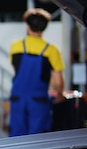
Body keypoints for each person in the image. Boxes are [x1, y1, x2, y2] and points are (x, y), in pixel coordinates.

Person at [8, 8, 65, 136]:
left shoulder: (15, 46)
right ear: (44, 27)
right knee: (38, 137)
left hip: (18, 98)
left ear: (27, 26)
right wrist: (60, 93)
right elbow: (58, 81)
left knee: (16, 136)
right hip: (39, 100)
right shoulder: (51, 50)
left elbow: (15, 68)